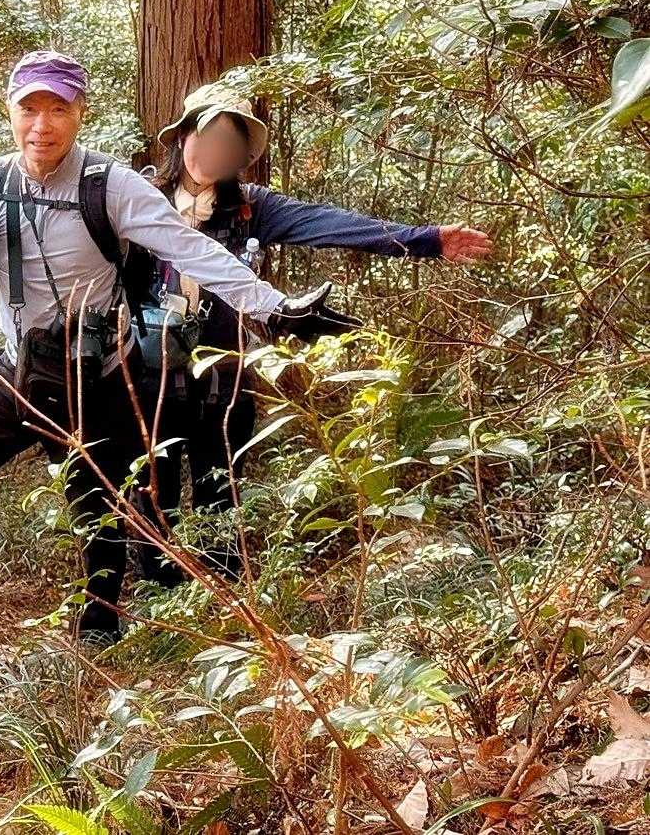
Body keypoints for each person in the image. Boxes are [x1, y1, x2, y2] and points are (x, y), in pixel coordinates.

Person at [0, 51, 347, 660]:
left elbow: (189, 249)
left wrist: (275, 308)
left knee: (100, 504)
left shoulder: (109, 185)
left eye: (58, 109)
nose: (42, 125)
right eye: (29, 108)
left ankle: (101, 624)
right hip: (18, 370)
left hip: (96, 373)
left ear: (81, 114)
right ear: (9, 111)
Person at [132, 81, 494, 585]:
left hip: (224, 371)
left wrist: (426, 240)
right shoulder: (142, 197)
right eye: (206, 137)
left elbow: (327, 223)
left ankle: (222, 597)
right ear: (183, 136)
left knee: (220, 485)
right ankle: (161, 592)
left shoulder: (251, 207)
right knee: (154, 484)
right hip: (150, 370)